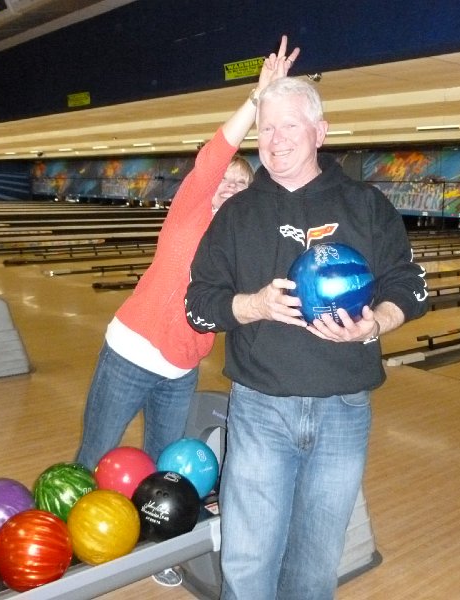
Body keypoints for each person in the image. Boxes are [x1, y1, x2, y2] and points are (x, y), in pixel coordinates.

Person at [184, 77, 429, 599]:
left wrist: (377, 322)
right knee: (248, 563)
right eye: (266, 129)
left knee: (316, 570)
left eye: (288, 126)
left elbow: (409, 284)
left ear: (319, 130)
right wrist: (254, 305)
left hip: (343, 411)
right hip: (259, 410)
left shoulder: (366, 205)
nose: (275, 139)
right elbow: (197, 305)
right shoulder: (236, 214)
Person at [74, 39, 299, 464]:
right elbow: (216, 156)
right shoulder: (189, 210)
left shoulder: (238, 238)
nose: (230, 186)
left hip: (182, 370)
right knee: (94, 456)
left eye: (240, 184)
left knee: (160, 468)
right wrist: (260, 97)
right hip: (131, 351)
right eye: (225, 180)